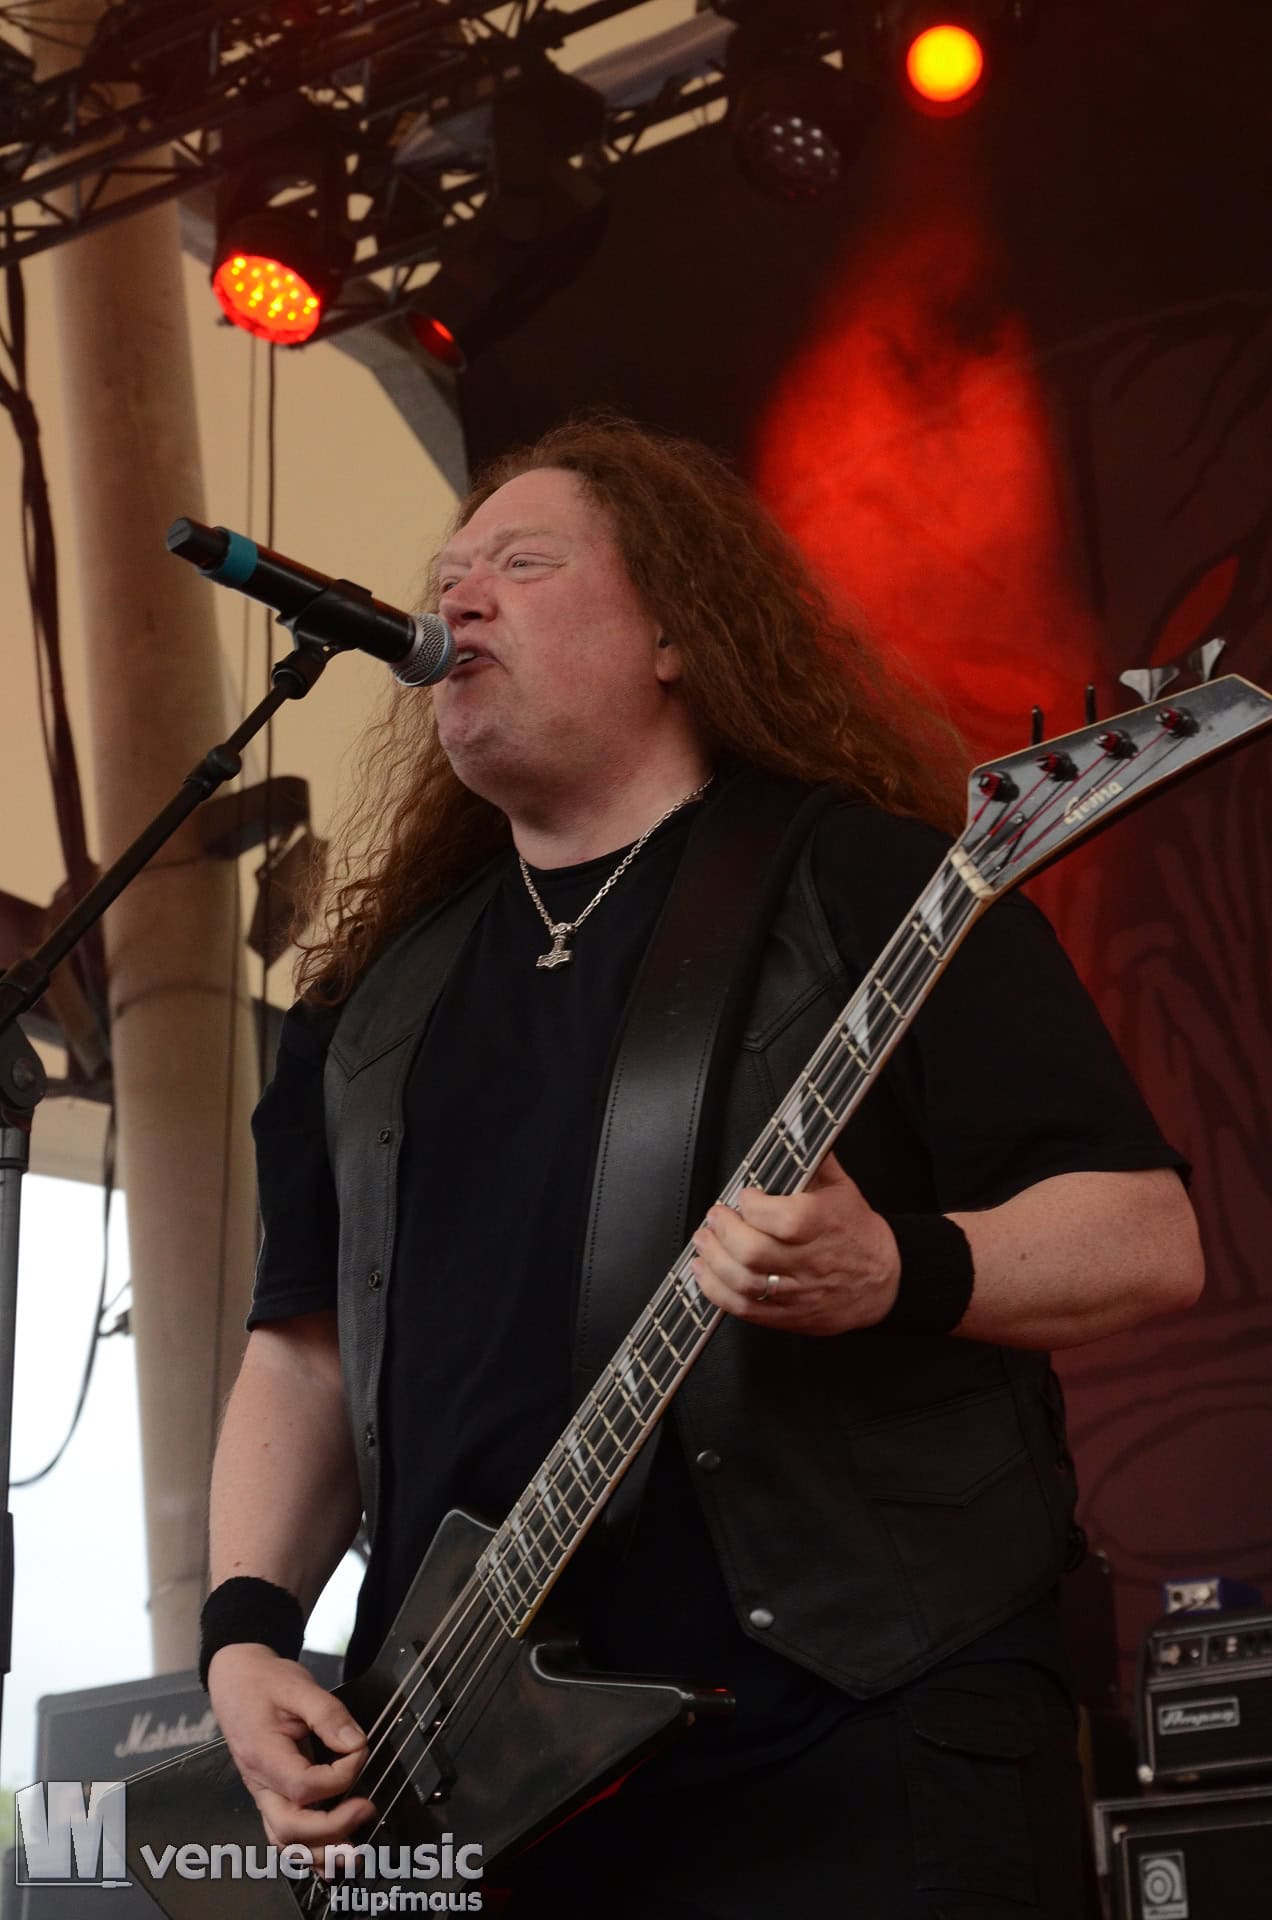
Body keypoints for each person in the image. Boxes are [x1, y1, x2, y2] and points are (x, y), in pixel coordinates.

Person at [202, 416, 1203, 1918]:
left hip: (856, 1737)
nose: (457, 596)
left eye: (524, 563)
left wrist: (897, 1269)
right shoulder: (366, 1008)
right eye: (447, 571)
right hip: (474, 1766)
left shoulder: (873, 881)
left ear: (676, 632)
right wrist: (243, 1632)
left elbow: (1145, 1235)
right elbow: (304, 1354)